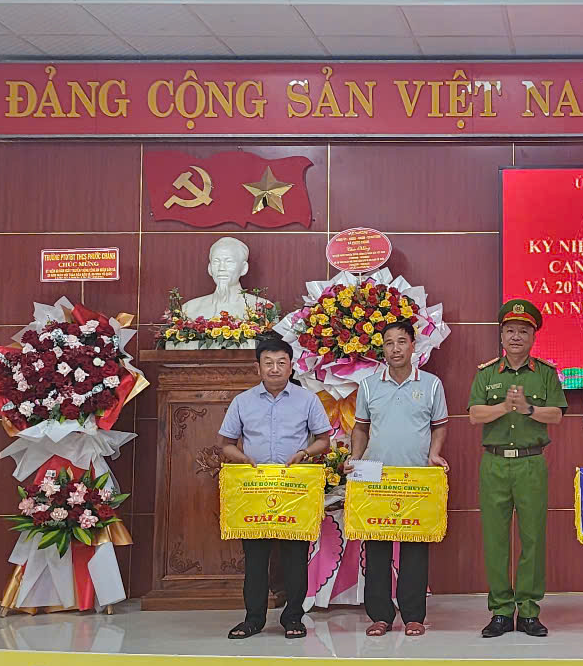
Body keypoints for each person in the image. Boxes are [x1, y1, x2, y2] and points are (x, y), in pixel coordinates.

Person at [219, 339, 332, 640]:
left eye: (281, 362)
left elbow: (324, 440)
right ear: (257, 367)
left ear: (291, 366)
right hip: (255, 489)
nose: (274, 368)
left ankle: (293, 617)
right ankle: (253, 619)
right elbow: (226, 444)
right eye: (268, 363)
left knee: (295, 556)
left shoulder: (307, 400)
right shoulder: (242, 401)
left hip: (293, 489)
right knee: (256, 557)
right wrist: (242, 458)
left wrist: (305, 453)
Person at [468, 299, 567, 638]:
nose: (515, 337)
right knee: (495, 539)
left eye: (523, 331)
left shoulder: (546, 373)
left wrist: (527, 409)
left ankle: (528, 611)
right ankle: (500, 610)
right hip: (494, 463)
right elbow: (475, 414)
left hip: (530, 463)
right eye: (510, 330)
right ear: (501, 336)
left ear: (533, 337)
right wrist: (505, 407)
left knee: (533, 538)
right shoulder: (486, 373)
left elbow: (556, 414)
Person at [348, 320, 449, 637]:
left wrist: (434, 454)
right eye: (389, 342)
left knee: (415, 549)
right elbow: (361, 428)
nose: (395, 348)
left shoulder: (431, 384)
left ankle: (413, 616)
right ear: (383, 348)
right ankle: (380, 615)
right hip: (375, 477)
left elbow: (439, 426)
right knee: (376, 549)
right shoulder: (368, 386)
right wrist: (355, 458)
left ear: (413, 346)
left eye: (401, 342)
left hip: (415, 477)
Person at [182, 236, 271, 320]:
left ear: (244, 268)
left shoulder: (264, 309)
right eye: (216, 262)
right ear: (210, 268)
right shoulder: (189, 309)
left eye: (229, 262)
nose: (221, 268)